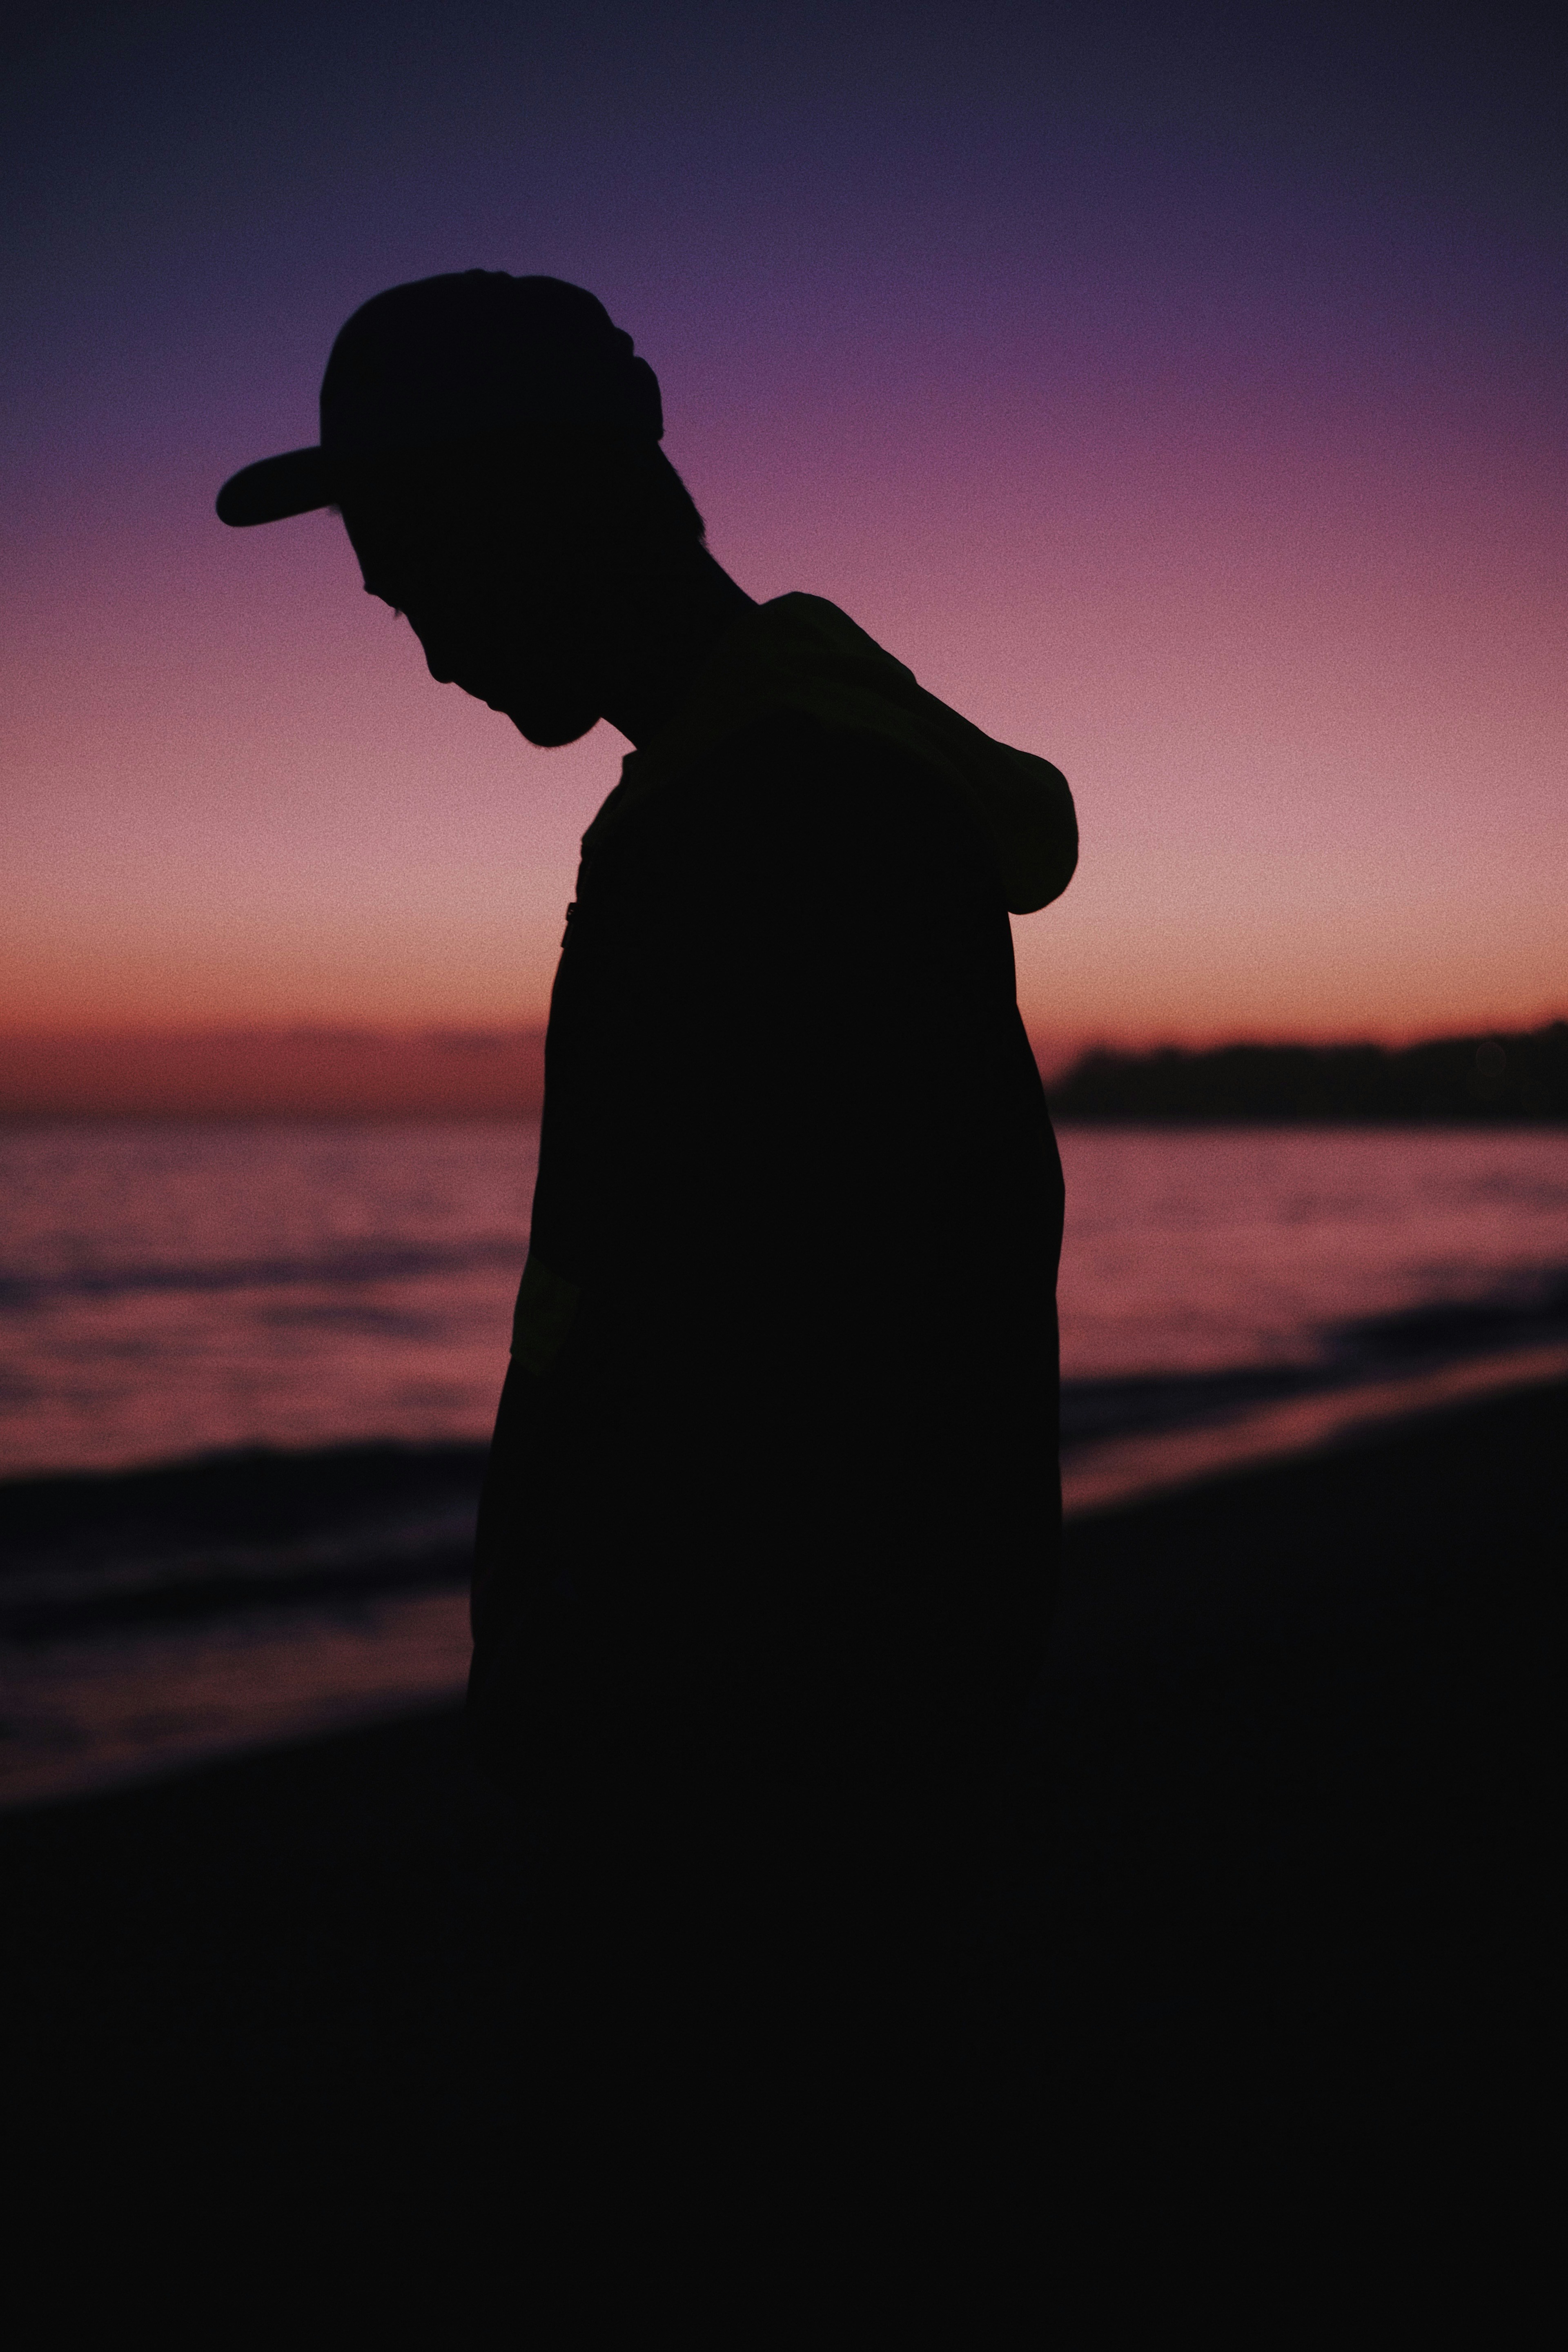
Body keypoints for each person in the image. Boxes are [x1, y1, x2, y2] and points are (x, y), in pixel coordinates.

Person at [217, 270, 1077, 2169]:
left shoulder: (783, 823)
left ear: (565, 497)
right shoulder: (752, 782)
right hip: (763, 1740)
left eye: (423, 571)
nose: (427, 650)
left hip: (756, 1774)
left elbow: (890, 1331)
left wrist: (641, 1689)